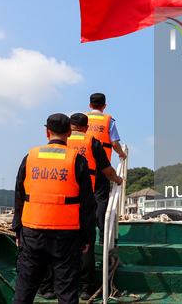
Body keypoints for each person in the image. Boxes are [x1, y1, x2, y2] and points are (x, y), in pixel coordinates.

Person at [38, 113, 123, 301]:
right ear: (87, 126)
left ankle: (48, 287)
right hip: (85, 200)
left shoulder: (57, 145)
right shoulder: (93, 143)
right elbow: (107, 171)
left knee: (54, 243)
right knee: (87, 242)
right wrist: (118, 179)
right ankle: (86, 287)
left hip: (59, 202)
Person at [12, 113, 95, 304]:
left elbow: (19, 196)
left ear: (47, 131)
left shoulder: (30, 158)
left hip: (32, 233)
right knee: (67, 294)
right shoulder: (77, 160)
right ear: (69, 132)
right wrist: (86, 237)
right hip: (66, 236)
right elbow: (87, 204)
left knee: (23, 293)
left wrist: (18, 231)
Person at [86, 93, 126, 245]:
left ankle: (82, 234)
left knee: (83, 196)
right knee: (101, 198)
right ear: (104, 106)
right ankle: (103, 236)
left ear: (90, 105)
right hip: (101, 165)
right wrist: (122, 154)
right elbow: (114, 144)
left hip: (82, 164)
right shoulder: (108, 120)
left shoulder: (81, 119)